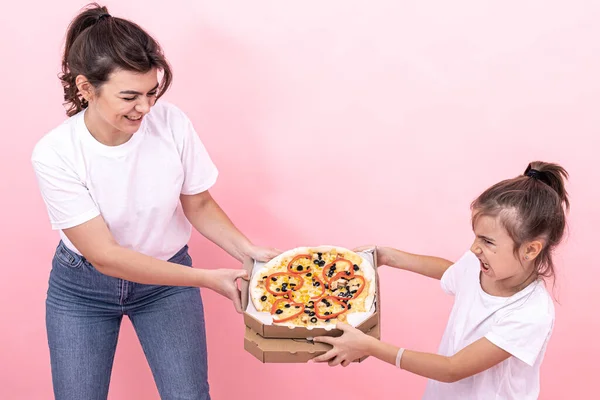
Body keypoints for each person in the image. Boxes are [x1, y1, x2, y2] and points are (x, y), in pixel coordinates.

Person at [31, 4, 278, 399]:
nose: (145, 108)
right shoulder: (56, 153)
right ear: (85, 88)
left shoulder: (172, 123)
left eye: (151, 93)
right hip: (83, 288)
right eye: (130, 97)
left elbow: (197, 203)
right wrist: (209, 279)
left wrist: (248, 251)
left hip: (166, 282)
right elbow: (106, 256)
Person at [312, 161, 569, 400]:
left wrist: (370, 346)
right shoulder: (480, 264)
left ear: (530, 250)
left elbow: (452, 369)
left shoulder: (531, 313)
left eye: (488, 242)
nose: (475, 248)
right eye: (477, 237)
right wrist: (388, 256)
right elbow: (455, 271)